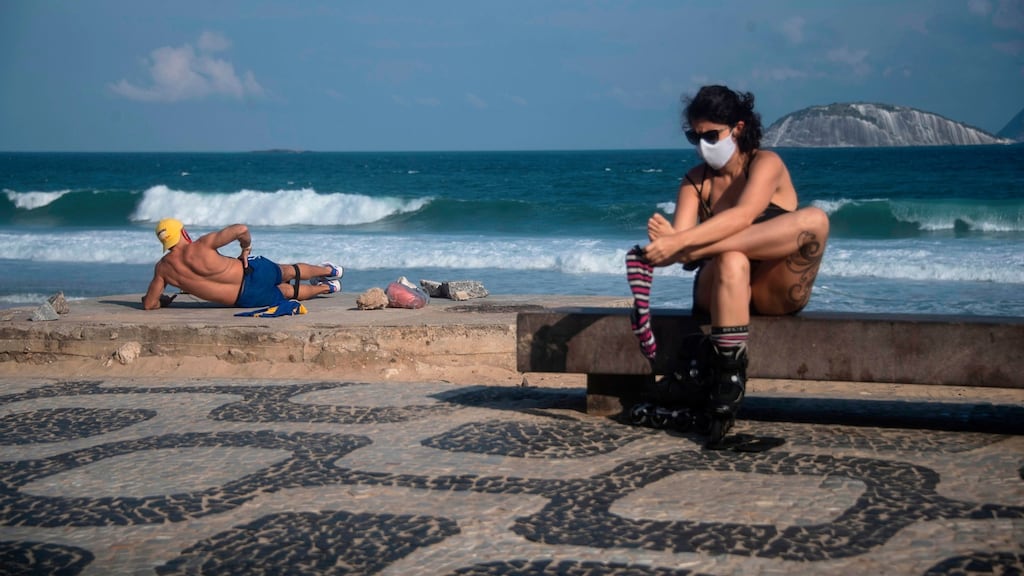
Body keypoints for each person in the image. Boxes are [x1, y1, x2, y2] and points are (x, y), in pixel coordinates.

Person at [629, 85, 830, 427]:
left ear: (738, 128)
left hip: (772, 288)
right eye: (696, 137)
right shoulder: (696, 181)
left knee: (816, 219)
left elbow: (743, 215)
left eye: (711, 135)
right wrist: (661, 249)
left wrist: (684, 245)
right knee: (732, 258)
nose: (703, 144)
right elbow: (677, 252)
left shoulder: (765, 164)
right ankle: (728, 385)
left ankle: (710, 249)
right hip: (719, 289)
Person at [142, 218, 343, 310]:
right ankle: (330, 270)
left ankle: (328, 287)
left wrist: (163, 301)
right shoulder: (202, 245)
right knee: (288, 271)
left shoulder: (163, 269)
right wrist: (246, 248)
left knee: (288, 293)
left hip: (244, 298)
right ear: (183, 233)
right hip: (250, 272)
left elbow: (150, 304)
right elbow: (241, 229)